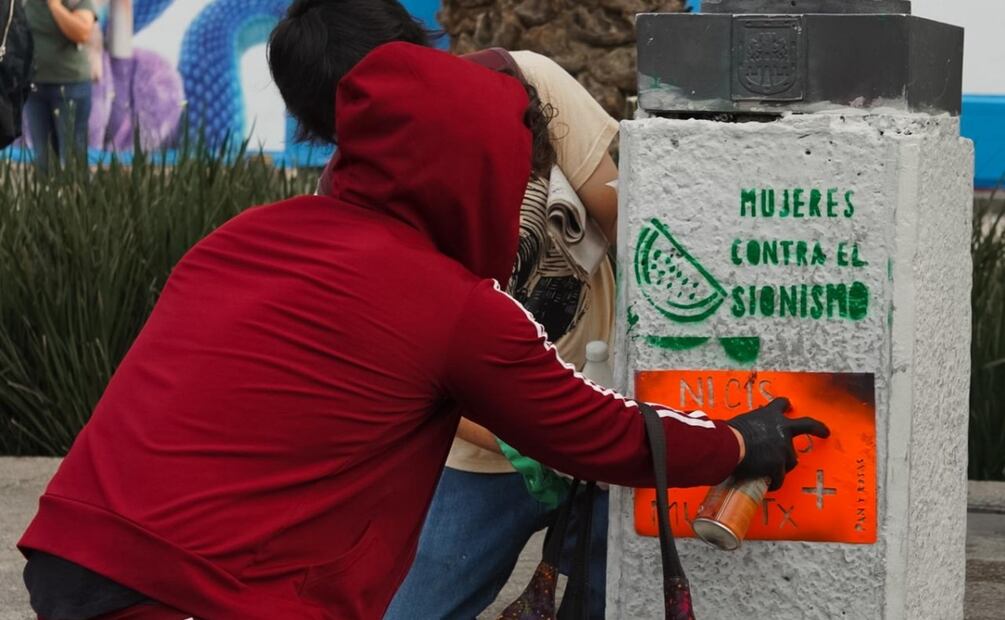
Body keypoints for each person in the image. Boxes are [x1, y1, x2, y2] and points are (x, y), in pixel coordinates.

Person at [19, 26, 827, 620]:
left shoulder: (247, 233)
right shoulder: (454, 309)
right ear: (471, 171)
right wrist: (735, 442)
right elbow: (596, 432)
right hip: (196, 593)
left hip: (72, 557)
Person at [269, 2, 619, 617]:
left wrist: (621, 414)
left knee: (612, 602)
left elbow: (626, 222)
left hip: (607, 409)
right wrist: (525, 440)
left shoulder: (527, 81)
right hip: (482, 454)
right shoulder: (346, 207)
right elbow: (404, 377)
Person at [23, 0, 97, 173]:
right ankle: (47, 199)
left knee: (71, 159)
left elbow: (83, 33)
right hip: (35, 88)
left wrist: (54, 6)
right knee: (43, 158)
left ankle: (78, 199)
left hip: (70, 87)